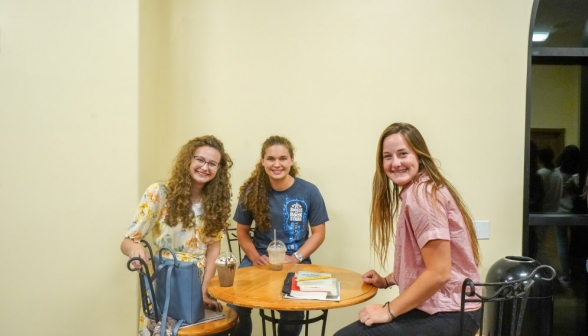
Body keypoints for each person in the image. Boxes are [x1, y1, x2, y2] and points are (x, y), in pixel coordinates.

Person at [335, 122, 481, 336]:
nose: (395, 163)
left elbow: (439, 273)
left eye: (403, 154)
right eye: (388, 156)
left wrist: (389, 311)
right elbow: (423, 262)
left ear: (419, 157)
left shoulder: (422, 196)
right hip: (450, 308)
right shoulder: (420, 189)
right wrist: (386, 281)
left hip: (453, 313)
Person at [120, 135, 233, 336]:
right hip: (166, 282)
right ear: (188, 159)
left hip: (197, 286)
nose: (205, 167)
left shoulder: (216, 203)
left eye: (212, 164)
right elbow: (127, 241)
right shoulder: (159, 193)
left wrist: (204, 292)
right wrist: (135, 248)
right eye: (200, 159)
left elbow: (213, 250)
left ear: (219, 170)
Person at [230, 135, 329, 336]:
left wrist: (295, 258)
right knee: (234, 304)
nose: (277, 164)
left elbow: (318, 234)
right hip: (258, 259)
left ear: (291, 160)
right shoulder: (252, 191)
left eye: (283, 158)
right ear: (263, 161)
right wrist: (254, 257)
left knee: (293, 310)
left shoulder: (309, 191)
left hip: (296, 259)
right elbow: (242, 232)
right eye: (271, 159)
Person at [554, 145, 581, 285]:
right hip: (576, 213)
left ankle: (565, 275)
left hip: (559, 211)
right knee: (576, 244)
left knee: (562, 242)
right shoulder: (580, 176)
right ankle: (577, 273)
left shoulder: (557, 173)